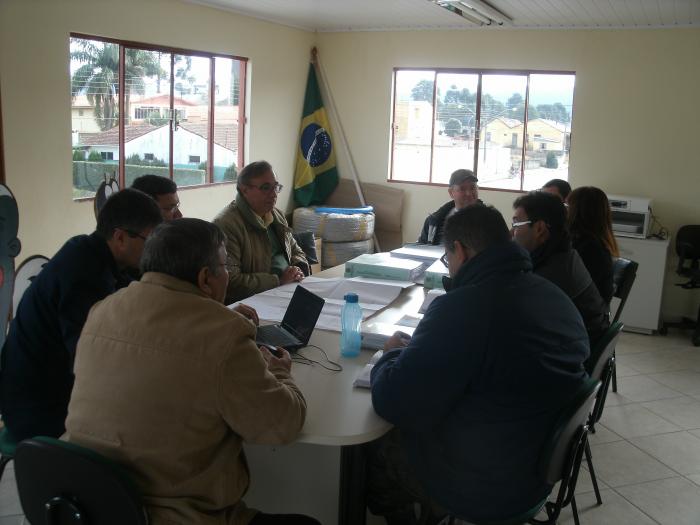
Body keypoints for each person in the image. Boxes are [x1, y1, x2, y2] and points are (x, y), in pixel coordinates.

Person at [64, 218, 318, 525]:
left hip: (93, 503)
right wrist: (281, 374)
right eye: (224, 266)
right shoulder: (225, 334)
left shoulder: (104, 309)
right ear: (205, 278)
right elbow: (282, 425)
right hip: (174, 514)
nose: (227, 274)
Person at [368, 204, 589, 524]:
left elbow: (394, 401)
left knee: (373, 446)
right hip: (536, 469)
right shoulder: (555, 297)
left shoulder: (463, 308)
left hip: (483, 484)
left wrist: (390, 354)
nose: (449, 268)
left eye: (448, 260)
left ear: (460, 251)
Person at [0, 189, 162, 442]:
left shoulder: (102, 255)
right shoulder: (83, 272)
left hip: (54, 389)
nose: (155, 250)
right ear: (120, 237)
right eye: (150, 241)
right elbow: (88, 358)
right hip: (38, 406)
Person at [512, 191, 609, 342]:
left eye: (516, 224)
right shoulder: (563, 253)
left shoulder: (551, 275)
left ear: (539, 229)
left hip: (571, 353)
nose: (512, 232)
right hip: (578, 341)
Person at [213, 161, 309, 303]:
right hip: (254, 301)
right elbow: (230, 281)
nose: (273, 194)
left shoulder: (277, 215)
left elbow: (296, 251)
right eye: (265, 188)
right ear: (244, 190)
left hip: (288, 289)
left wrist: (298, 269)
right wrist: (278, 281)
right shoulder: (226, 225)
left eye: (276, 187)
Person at [568, 186, 619, 304]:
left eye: (568, 206)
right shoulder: (585, 241)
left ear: (577, 212)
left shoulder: (589, 248)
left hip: (586, 317)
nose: (565, 210)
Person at [417, 169, 480, 245]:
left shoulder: (489, 220)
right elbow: (421, 249)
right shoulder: (433, 221)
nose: (469, 193)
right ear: (451, 193)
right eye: (462, 189)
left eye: (473, 187)